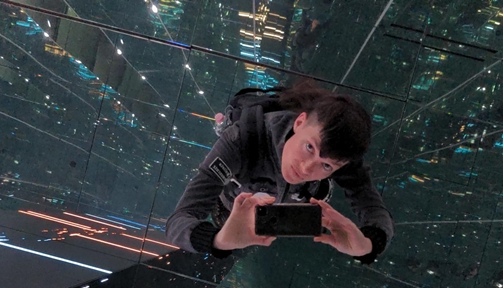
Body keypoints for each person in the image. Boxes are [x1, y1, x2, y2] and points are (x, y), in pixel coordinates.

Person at [165, 80, 395, 265]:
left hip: (296, 203)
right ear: (299, 122)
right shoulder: (241, 139)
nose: (306, 168)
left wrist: (368, 245)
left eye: (326, 166)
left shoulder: (341, 158)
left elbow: (373, 207)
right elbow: (178, 221)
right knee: (236, 231)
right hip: (233, 203)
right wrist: (217, 240)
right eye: (309, 147)